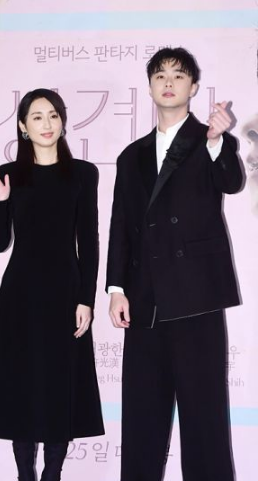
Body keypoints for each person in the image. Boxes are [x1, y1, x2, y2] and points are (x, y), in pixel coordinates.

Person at [106, 48, 242, 481]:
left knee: (204, 416)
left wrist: (217, 142)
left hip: (197, 296)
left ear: (193, 87)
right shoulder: (131, 156)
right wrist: (116, 289)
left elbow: (232, 181)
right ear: (149, 86)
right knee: (142, 415)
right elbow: (121, 224)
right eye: (160, 75)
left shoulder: (209, 140)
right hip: (144, 298)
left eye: (179, 75)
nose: (168, 82)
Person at [0, 88, 104, 481]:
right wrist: (0, 201)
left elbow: (89, 241)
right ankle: (25, 475)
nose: (46, 124)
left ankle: (52, 474)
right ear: (23, 126)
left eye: (53, 115)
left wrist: (86, 300)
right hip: (21, 294)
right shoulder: (9, 173)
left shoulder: (83, 173)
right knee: (22, 384)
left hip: (66, 291)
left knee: (59, 385)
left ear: (62, 121)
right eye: (37, 117)